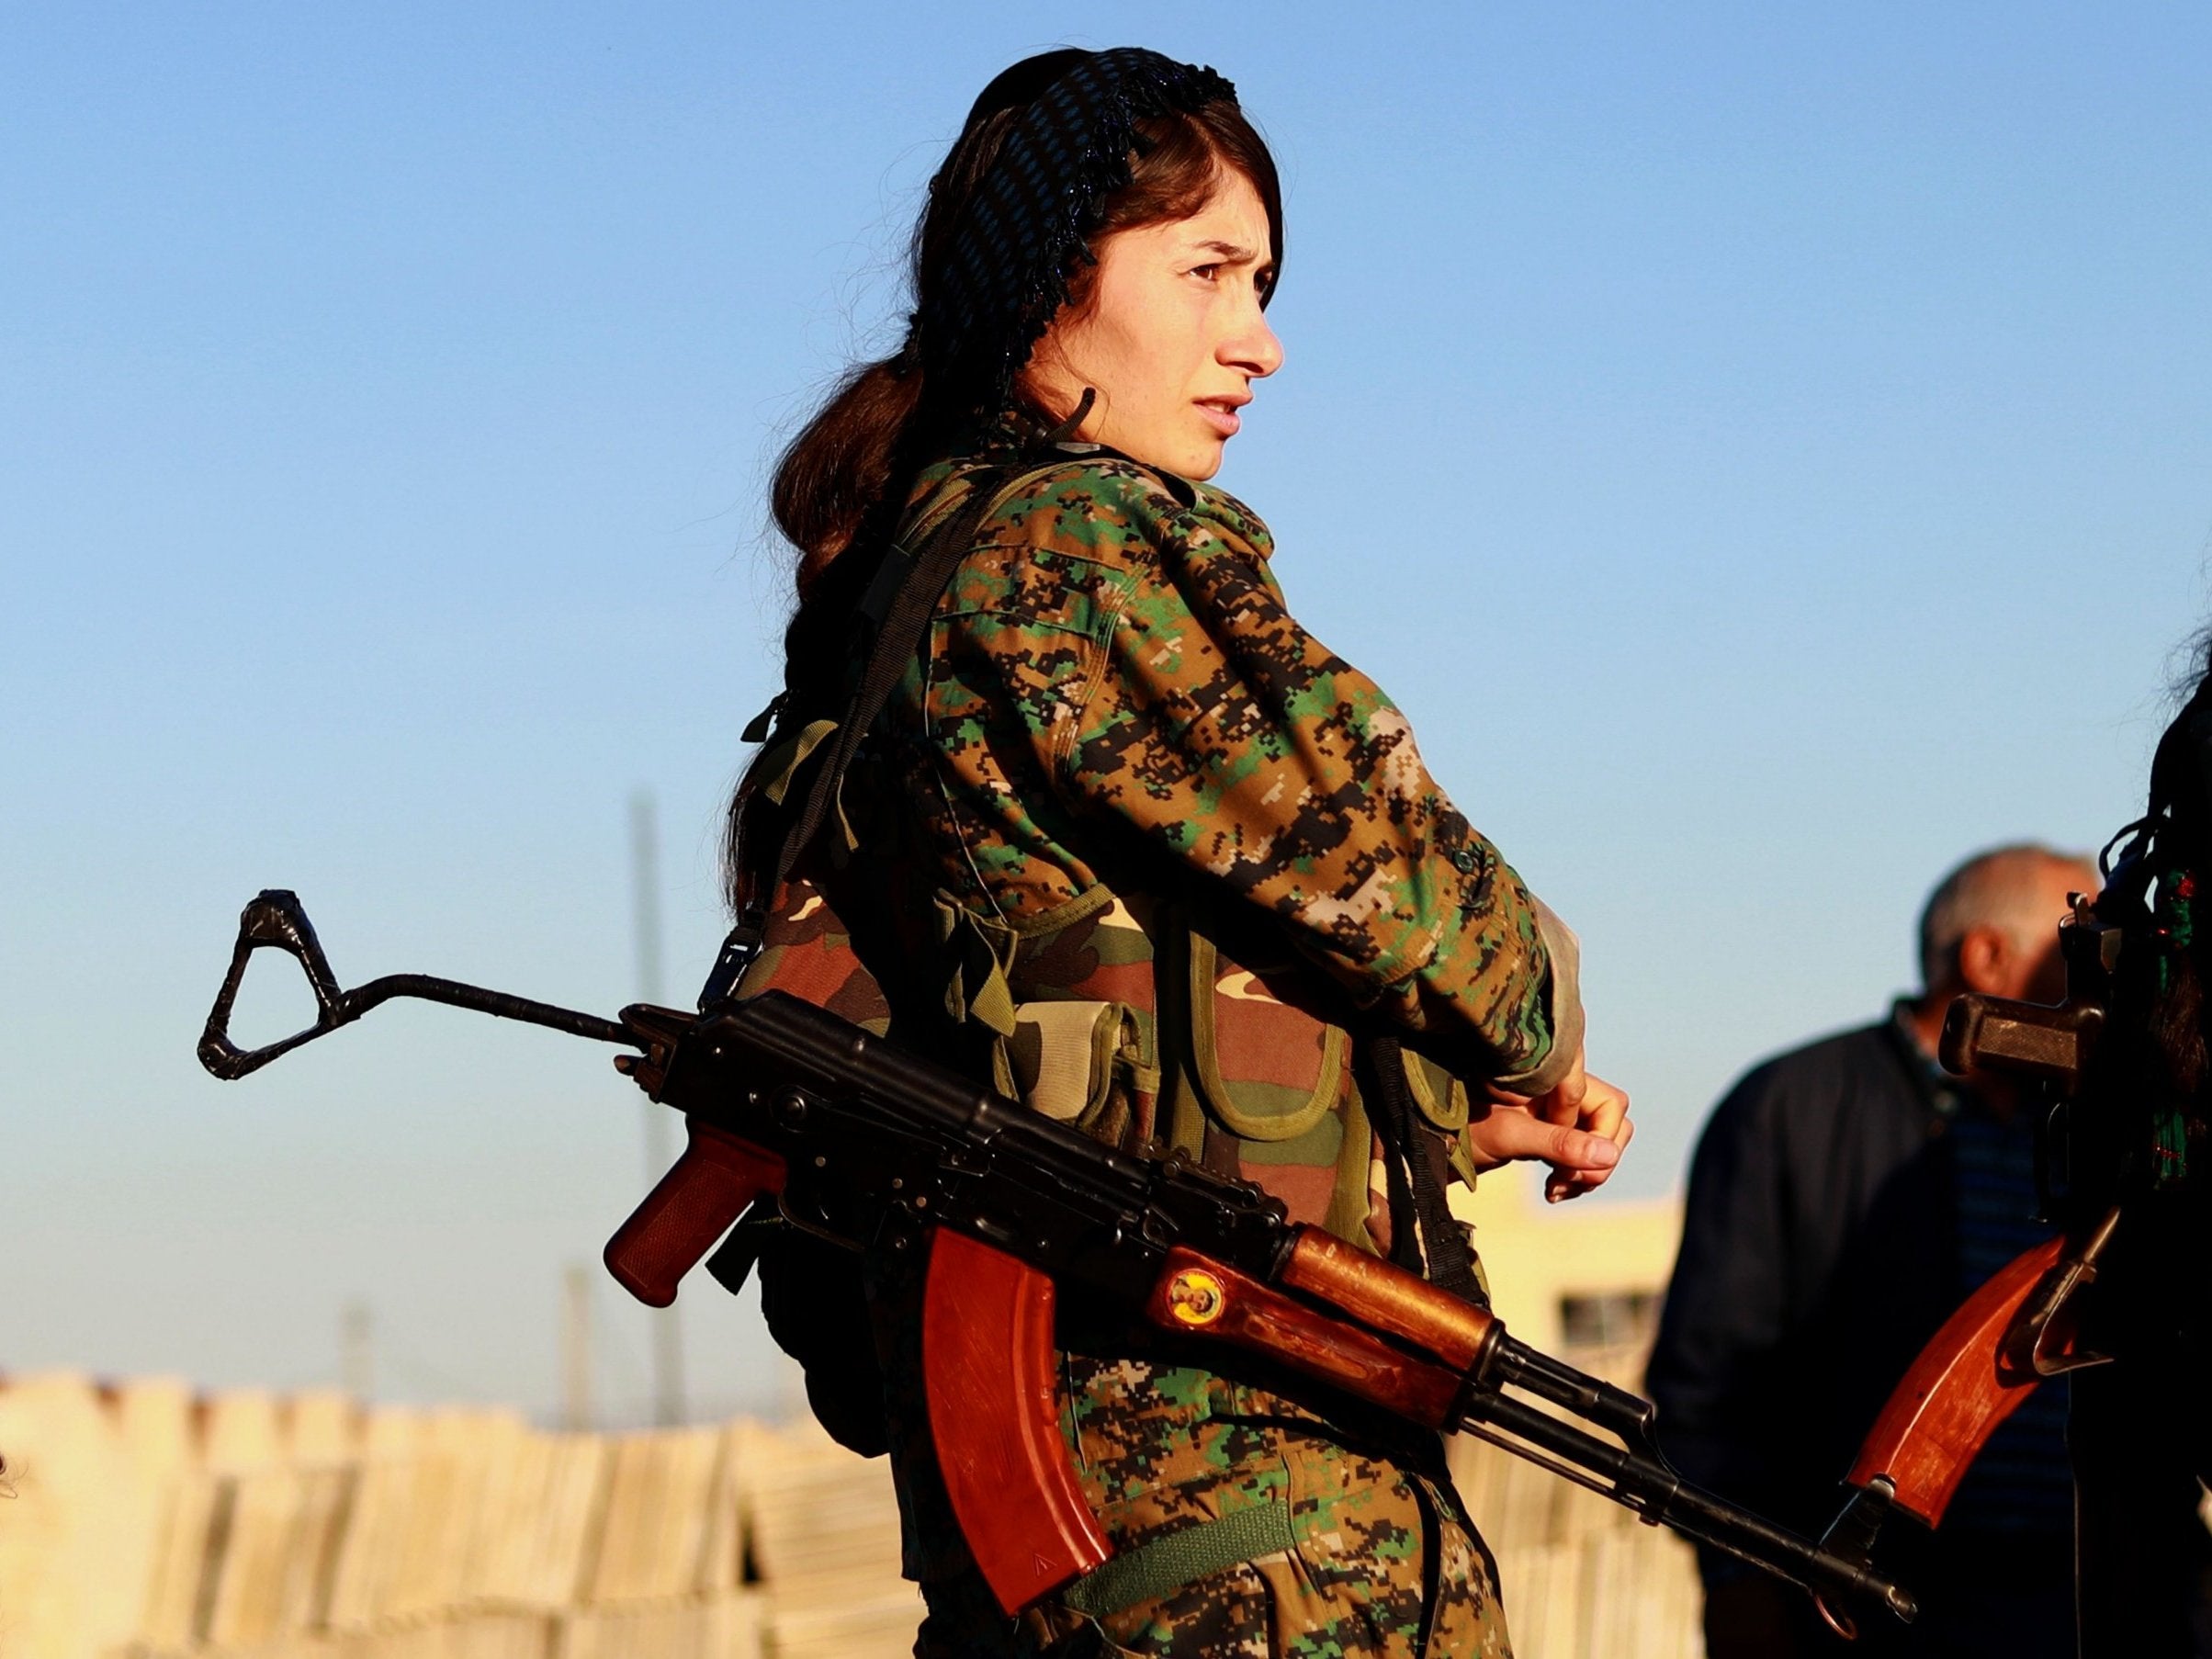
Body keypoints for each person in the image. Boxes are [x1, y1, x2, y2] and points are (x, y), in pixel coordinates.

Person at [719, 48, 1631, 1659]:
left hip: (1108, 1512)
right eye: (1203, 269)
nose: (1257, 341)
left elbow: (1104, 1012)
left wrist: (1433, 1117)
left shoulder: (918, 566)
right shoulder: (1076, 544)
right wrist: (1540, 1019)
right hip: (1234, 1516)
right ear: (1044, 280)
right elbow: (1403, 887)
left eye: (1261, 279)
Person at [1646, 844, 2097, 1656]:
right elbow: (1705, 1385)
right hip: (1873, 1616)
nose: (2101, 972)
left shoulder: (2086, 1129)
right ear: (1987, 956)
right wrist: (1741, 1579)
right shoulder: (1791, 1108)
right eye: (2077, 942)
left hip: (2073, 1605)